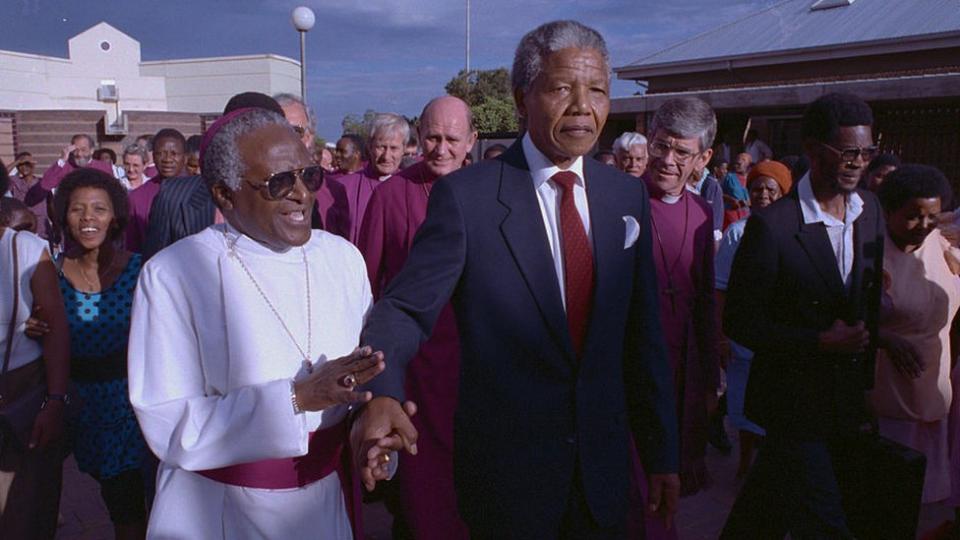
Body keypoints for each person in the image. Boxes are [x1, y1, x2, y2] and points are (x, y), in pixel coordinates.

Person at [353, 20, 679, 539]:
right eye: (561, 88)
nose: (582, 105)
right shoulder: (467, 198)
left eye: (596, 90)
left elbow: (643, 337)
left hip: (603, 474)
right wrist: (385, 393)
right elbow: (404, 310)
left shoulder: (625, 196)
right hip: (508, 481)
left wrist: (662, 453)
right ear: (521, 97)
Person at [128, 107, 385, 539]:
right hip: (222, 512)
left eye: (309, 176)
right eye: (279, 182)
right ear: (224, 195)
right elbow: (168, 424)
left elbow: (358, 378)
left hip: (323, 501)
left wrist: (374, 418)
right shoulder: (173, 273)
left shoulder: (341, 258)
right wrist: (295, 398)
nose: (302, 194)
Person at [721, 92, 884, 538]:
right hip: (791, 403)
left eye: (866, 152)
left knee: (767, 506)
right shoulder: (772, 226)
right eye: (847, 152)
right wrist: (816, 341)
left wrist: (867, 386)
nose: (858, 163)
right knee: (827, 522)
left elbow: (865, 307)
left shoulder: (870, 214)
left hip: (844, 402)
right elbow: (740, 321)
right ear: (814, 150)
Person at [357, 95, 477, 540]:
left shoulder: (488, 190)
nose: (441, 149)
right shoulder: (392, 195)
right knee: (423, 493)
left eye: (451, 139)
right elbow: (368, 284)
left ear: (471, 142)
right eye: (431, 137)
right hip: (417, 367)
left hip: (476, 363)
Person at [33, 168, 151, 539]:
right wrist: (30, 328)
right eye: (76, 209)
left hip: (126, 411)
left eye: (99, 209)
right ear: (62, 216)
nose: (87, 218)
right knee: (40, 495)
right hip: (71, 403)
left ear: (115, 216)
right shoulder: (47, 274)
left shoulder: (140, 270)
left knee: (127, 507)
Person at [638, 97, 720, 505]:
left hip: (683, 362)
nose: (667, 160)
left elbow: (705, 300)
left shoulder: (704, 213)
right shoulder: (619, 200)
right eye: (660, 145)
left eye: (682, 152)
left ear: (702, 157)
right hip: (631, 363)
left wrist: (709, 377)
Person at [869, 164, 958, 504]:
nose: (923, 226)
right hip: (890, 400)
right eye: (913, 216)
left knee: (925, 499)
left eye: (931, 217)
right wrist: (884, 337)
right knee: (891, 498)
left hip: (934, 393)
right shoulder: (872, 252)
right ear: (889, 211)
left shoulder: (938, 242)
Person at [0, 163, 70, 539]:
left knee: (23, 512)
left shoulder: (25, 249)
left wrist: (55, 400)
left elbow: (57, 327)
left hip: (19, 394)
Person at [714, 160, 793, 479]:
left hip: (783, 339)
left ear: (783, 193)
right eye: (757, 188)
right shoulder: (737, 233)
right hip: (744, 338)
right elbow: (720, 288)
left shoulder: (794, 231)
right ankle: (745, 466)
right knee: (744, 408)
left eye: (770, 189)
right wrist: (720, 336)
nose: (762, 195)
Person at [337, 113, 409, 244]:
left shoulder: (411, 188)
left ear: (404, 149)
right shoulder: (343, 188)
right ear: (370, 146)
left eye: (393, 148)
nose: (386, 156)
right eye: (381, 147)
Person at [125, 129, 187, 253]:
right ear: (153, 157)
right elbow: (132, 246)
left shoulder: (202, 191)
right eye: (161, 153)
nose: (167, 159)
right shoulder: (137, 197)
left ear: (184, 157)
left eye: (174, 153)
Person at [23, 134, 115, 208]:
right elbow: (44, 186)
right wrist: (62, 160)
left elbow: (112, 194)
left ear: (91, 151)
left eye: (83, 150)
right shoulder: (65, 167)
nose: (79, 154)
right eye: (76, 150)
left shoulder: (104, 168)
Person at [6, 152, 50, 238]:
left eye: (27, 164)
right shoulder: (15, 182)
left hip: (41, 230)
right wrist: (17, 161)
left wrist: (56, 226)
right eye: (21, 165)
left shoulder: (42, 183)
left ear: (33, 165)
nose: (24, 167)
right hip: (21, 228)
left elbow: (50, 206)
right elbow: (2, 175)